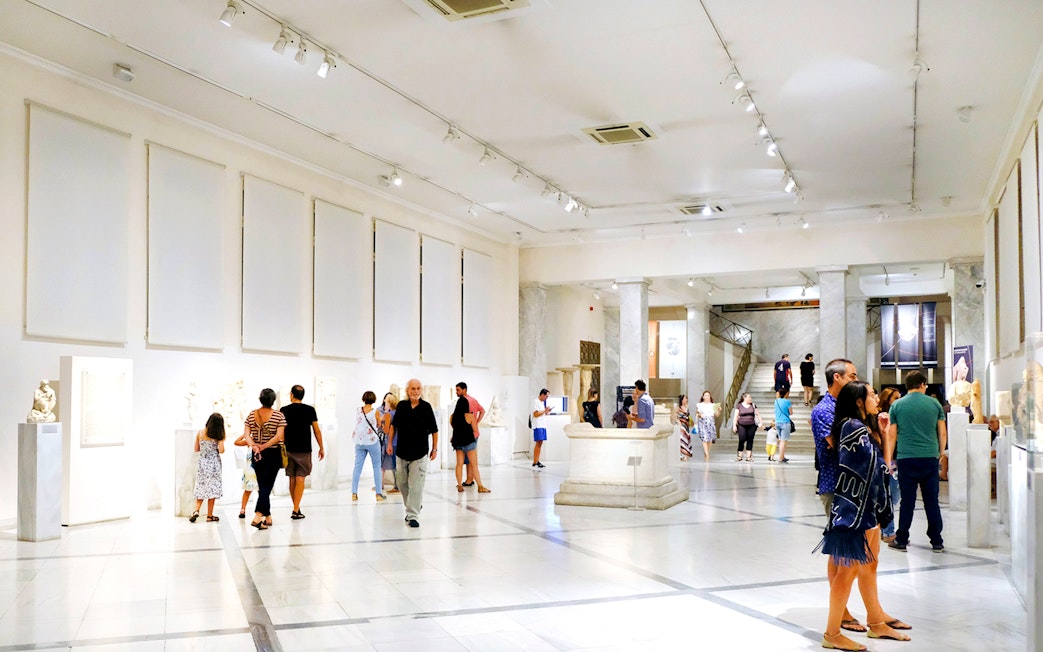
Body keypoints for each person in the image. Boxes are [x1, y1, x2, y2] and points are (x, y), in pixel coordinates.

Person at [817, 380, 911, 650]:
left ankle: (876, 622)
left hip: (865, 508)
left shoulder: (861, 427)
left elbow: (882, 465)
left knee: (869, 567)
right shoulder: (851, 426)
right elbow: (874, 469)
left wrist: (883, 436)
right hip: (853, 510)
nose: (875, 398)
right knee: (847, 572)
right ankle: (832, 634)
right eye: (870, 394)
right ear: (859, 401)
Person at [811, 358, 865, 634]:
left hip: (851, 486)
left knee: (849, 552)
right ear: (837, 379)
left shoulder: (843, 408)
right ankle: (840, 611)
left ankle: (843, 607)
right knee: (839, 551)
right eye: (852, 376)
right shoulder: (824, 410)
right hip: (835, 485)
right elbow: (840, 445)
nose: (856, 380)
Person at [887, 370, 947, 553]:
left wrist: (889, 459)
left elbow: (892, 435)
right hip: (929, 457)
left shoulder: (897, 405)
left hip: (906, 458)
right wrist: (941, 452)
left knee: (907, 501)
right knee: (931, 501)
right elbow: (942, 432)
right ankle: (936, 541)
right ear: (922, 384)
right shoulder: (934, 403)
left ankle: (902, 539)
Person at [392, 379, 439, 527]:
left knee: (416, 485)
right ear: (407, 391)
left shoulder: (426, 407)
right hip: (401, 452)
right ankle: (414, 505)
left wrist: (435, 448)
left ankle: (413, 516)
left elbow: (434, 430)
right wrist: (389, 444)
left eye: (418, 388)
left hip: (420, 453)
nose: (416, 391)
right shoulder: (402, 406)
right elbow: (394, 426)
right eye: (413, 388)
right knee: (402, 484)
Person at [242, 388, 286, 530]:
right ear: (273, 400)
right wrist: (264, 446)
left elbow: (247, 435)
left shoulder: (251, 415)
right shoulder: (279, 416)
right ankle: (257, 515)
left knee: (263, 486)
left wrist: (254, 446)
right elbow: (279, 436)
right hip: (273, 454)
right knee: (267, 486)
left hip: (257, 455)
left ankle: (267, 517)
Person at [280, 385, 325, 519]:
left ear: (292, 395)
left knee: (292, 479)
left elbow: (280, 430)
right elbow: (317, 430)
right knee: (300, 479)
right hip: (304, 449)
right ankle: (295, 509)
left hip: (288, 449)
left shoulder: (284, 410)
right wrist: (321, 447)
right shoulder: (310, 410)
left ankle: (296, 508)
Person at [190, 412, 226, 523]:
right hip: (214, 464)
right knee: (212, 489)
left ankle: (196, 510)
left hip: (202, 463)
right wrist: (221, 440)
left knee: (201, 486)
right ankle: (210, 516)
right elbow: (221, 450)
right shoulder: (218, 436)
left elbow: (196, 448)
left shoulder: (200, 433)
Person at [877, 387, 902, 543]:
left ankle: (882, 525)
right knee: (889, 495)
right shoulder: (880, 417)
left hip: (897, 459)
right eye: (895, 398)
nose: (899, 400)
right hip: (885, 460)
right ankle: (888, 531)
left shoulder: (898, 415)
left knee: (894, 496)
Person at [452, 390, 490, 493]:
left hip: (458, 443)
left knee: (459, 464)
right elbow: (475, 430)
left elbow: (454, 427)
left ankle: (460, 485)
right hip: (469, 443)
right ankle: (480, 486)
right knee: (474, 465)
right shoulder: (470, 416)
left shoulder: (453, 417)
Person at [352, 391, 386, 503]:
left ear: (364, 399)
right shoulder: (375, 411)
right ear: (374, 399)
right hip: (372, 441)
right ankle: (378, 494)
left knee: (357, 467)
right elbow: (378, 425)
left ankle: (354, 493)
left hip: (359, 441)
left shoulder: (358, 410)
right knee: (376, 466)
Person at [455, 382, 485, 487]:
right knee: (471, 460)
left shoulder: (465, 402)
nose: (456, 392)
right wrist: (476, 421)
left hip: (465, 435)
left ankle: (468, 480)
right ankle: (471, 480)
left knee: (466, 461)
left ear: (464, 389)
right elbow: (482, 411)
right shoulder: (473, 400)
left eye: (458, 390)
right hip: (472, 433)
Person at [378, 392, 400, 493]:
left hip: (392, 442)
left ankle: (397, 486)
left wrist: (382, 426)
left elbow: (387, 430)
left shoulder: (388, 415)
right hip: (400, 441)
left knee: (395, 465)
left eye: (386, 402)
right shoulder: (399, 413)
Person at [233, 433, 258, 518]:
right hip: (253, 468)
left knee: (248, 490)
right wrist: (245, 435)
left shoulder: (249, 440)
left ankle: (243, 510)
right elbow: (236, 442)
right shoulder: (251, 440)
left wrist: (244, 435)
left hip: (250, 468)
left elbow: (237, 442)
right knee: (259, 490)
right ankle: (260, 510)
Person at [730, 392, 760, 461]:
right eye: (749, 397)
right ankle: (739, 455)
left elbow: (758, 414)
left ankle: (748, 456)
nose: (750, 398)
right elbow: (735, 416)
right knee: (742, 439)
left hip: (752, 425)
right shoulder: (739, 406)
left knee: (750, 439)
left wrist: (760, 422)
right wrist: (734, 425)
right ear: (744, 398)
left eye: (751, 397)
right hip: (741, 425)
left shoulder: (753, 405)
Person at [695, 391, 721, 460]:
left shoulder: (713, 405)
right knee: (704, 438)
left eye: (708, 395)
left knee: (710, 439)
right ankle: (707, 454)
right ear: (703, 397)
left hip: (710, 422)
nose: (707, 396)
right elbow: (697, 413)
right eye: (705, 395)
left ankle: (707, 452)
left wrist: (719, 410)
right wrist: (700, 415)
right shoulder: (700, 405)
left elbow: (717, 415)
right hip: (703, 422)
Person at [532, 388, 551, 468]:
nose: (547, 398)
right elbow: (535, 414)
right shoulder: (535, 402)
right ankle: (535, 461)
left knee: (540, 442)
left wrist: (546, 411)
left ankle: (537, 460)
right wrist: (544, 411)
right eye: (546, 396)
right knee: (538, 442)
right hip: (538, 425)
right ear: (542, 395)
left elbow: (541, 413)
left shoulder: (542, 403)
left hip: (542, 425)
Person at [774, 386, 794, 462]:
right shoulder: (787, 401)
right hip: (785, 422)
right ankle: (781, 457)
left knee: (780, 440)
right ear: (786, 394)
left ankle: (781, 455)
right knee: (783, 441)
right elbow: (791, 412)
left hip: (777, 422)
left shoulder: (776, 401)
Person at [676, 394, 692, 461]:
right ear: (682, 400)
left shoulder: (687, 407)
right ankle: (681, 455)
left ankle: (686, 454)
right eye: (685, 398)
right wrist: (678, 422)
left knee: (686, 439)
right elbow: (674, 416)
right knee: (682, 440)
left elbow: (688, 416)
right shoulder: (678, 408)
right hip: (681, 426)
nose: (686, 400)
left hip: (686, 426)